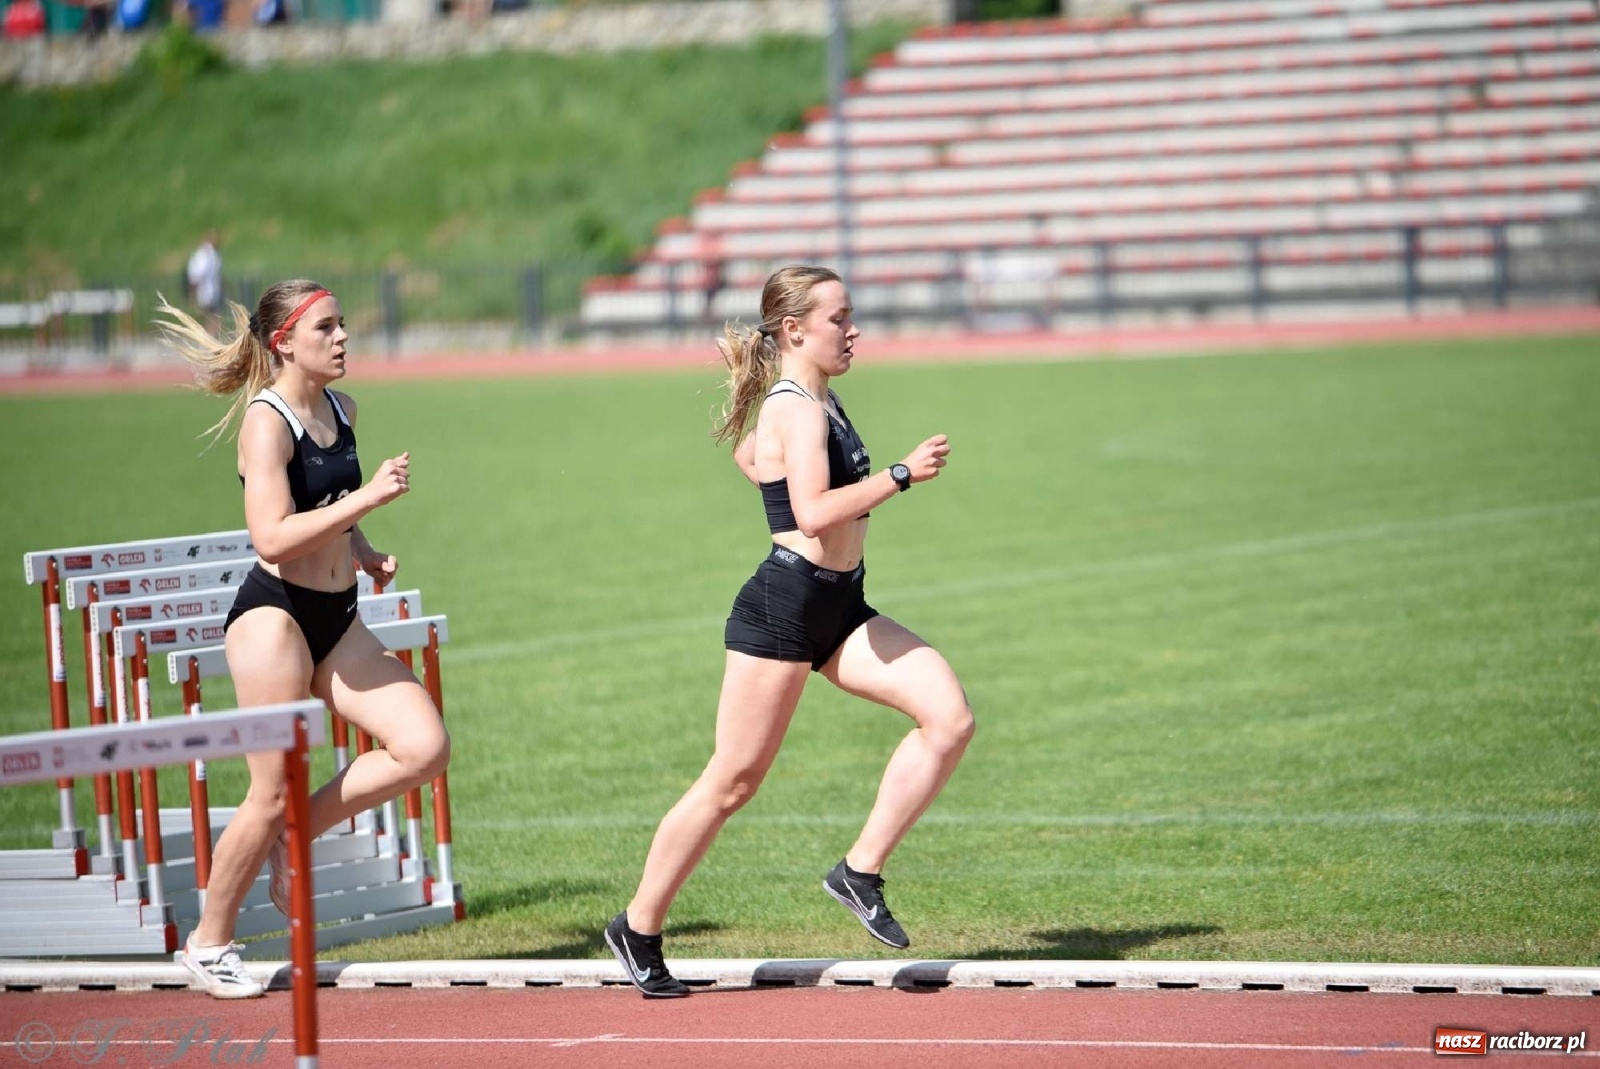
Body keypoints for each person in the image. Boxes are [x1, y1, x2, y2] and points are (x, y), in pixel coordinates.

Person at [604, 265, 975, 998]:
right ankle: (637, 926)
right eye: (840, 319)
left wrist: (776, 478)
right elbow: (811, 513)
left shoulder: (817, 400)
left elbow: (752, 458)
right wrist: (901, 474)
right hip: (783, 608)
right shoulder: (798, 408)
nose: (854, 331)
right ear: (795, 329)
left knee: (949, 718)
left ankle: (859, 871)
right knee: (732, 781)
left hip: (841, 605)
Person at [155, 280, 451, 999]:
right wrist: (369, 496)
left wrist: (365, 550)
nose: (343, 336)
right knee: (268, 792)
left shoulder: (342, 409)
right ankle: (207, 943)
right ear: (284, 342)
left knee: (424, 747)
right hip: (276, 618)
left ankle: (296, 834)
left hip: (338, 616)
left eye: (343, 323)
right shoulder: (267, 423)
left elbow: (331, 505)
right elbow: (272, 536)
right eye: (326, 327)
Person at [186, 230, 223, 326]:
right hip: (205, 289)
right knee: (208, 314)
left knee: (210, 314)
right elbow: (198, 274)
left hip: (209, 289)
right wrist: (194, 291)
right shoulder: (205, 255)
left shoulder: (211, 254)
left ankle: (207, 330)